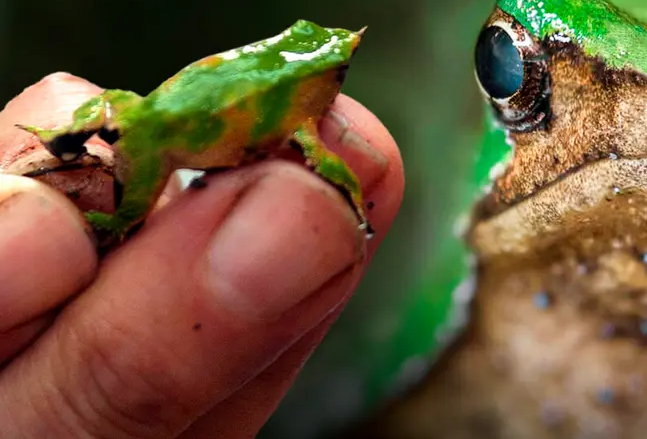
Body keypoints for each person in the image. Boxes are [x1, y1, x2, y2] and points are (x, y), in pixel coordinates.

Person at [0, 72, 405, 438]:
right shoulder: (303, 117)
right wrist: (351, 195)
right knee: (116, 225)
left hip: (143, 122)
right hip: (164, 148)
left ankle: (70, 143)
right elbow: (322, 158)